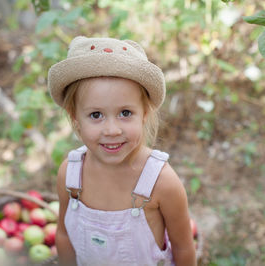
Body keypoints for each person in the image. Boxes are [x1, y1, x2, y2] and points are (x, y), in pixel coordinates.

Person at [48, 36, 197, 266]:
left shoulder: (161, 182)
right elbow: (65, 235)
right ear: (75, 118)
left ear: (145, 113)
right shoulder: (70, 176)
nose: (112, 130)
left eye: (125, 113)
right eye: (96, 115)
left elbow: (184, 247)